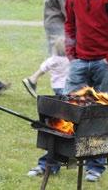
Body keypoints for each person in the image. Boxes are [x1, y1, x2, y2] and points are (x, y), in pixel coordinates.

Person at [64, 0, 108, 182]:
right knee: (67, 109)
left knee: (101, 114)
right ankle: (54, 160)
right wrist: (70, 50)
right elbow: (69, 21)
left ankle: (96, 166)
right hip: (79, 60)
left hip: (106, 63)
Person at [22, 0, 71, 97]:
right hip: (58, 26)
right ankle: (33, 79)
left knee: (57, 58)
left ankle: (36, 80)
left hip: (51, 25)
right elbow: (66, 10)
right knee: (59, 59)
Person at [27, 36, 69, 176]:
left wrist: (33, 78)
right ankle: (50, 163)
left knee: (58, 123)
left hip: (58, 90)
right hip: (69, 91)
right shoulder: (71, 60)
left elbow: (43, 68)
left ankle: (50, 163)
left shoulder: (54, 60)